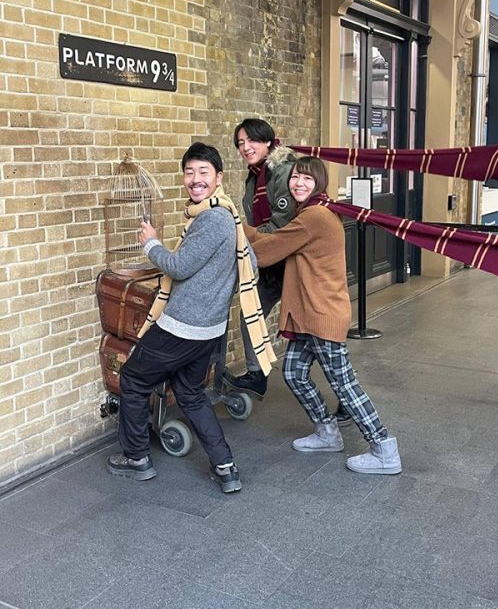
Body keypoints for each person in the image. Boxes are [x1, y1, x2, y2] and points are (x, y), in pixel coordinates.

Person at [106, 142, 273, 493]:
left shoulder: (212, 219)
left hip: (182, 327)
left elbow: (179, 267)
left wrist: (151, 244)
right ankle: (225, 467)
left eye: (203, 172)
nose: (195, 179)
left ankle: (136, 458)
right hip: (207, 330)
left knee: (133, 379)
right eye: (189, 172)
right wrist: (214, 287)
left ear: (218, 177)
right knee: (190, 392)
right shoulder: (227, 214)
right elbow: (251, 264)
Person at [243, 156, 402, 474]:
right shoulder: (313, 212)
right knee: (294, 373)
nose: (298, 183)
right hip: (310, 313)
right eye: (295, 177)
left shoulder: (313, 216)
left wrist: (234, 226)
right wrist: (241, 228)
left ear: (319, 183)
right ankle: (327, 432)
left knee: (344, 384)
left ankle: (384, 448)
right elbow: (274, 242)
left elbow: (267, 251)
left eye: (307, 178)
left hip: (321, 313)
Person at [222, 118, 353, 427]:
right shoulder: (255, 177)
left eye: (252, 141)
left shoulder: (281, 171)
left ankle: (347, 398)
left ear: (268, 141)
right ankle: (257, 375)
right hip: (274, 262)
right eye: (240, 143)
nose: (245, 148)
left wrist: (246, 239)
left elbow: (283, 224)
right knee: (251, 313)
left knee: (322, 336)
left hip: (294, 261)